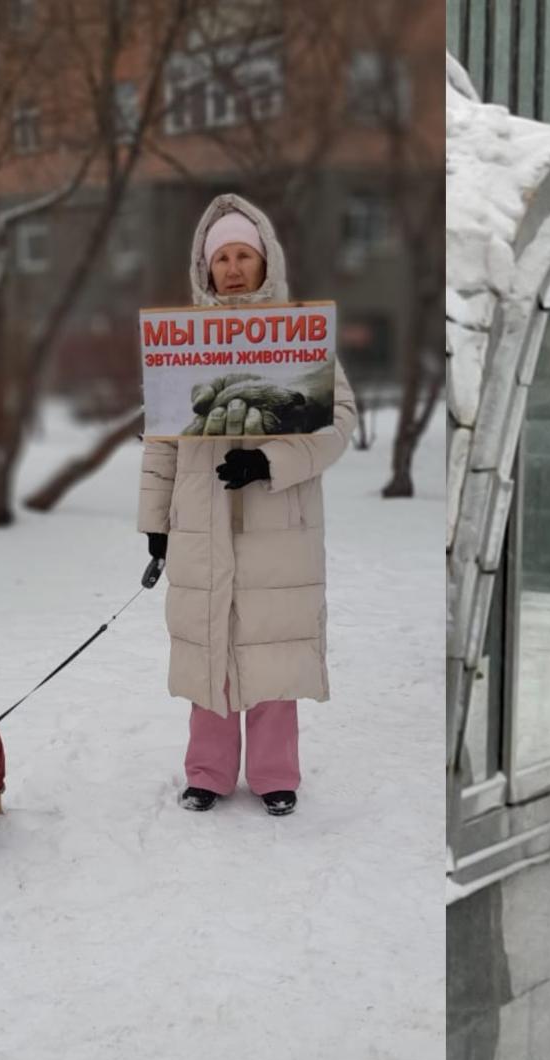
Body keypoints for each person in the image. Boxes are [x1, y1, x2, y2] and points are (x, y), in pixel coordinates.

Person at [138, 195, 358, 817]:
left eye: (243, 255)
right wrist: (157, 525)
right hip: (201, 521)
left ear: (266, 262)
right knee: (209, 642)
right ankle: (207, 771)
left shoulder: (300, 334)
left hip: (277, 521)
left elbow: (337, 421)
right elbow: (161, 441)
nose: (232, 268)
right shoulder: (179, 342)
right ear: (205, 268)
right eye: (222, 258)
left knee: (271, 644)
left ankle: (274, 773)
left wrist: (269, 462)